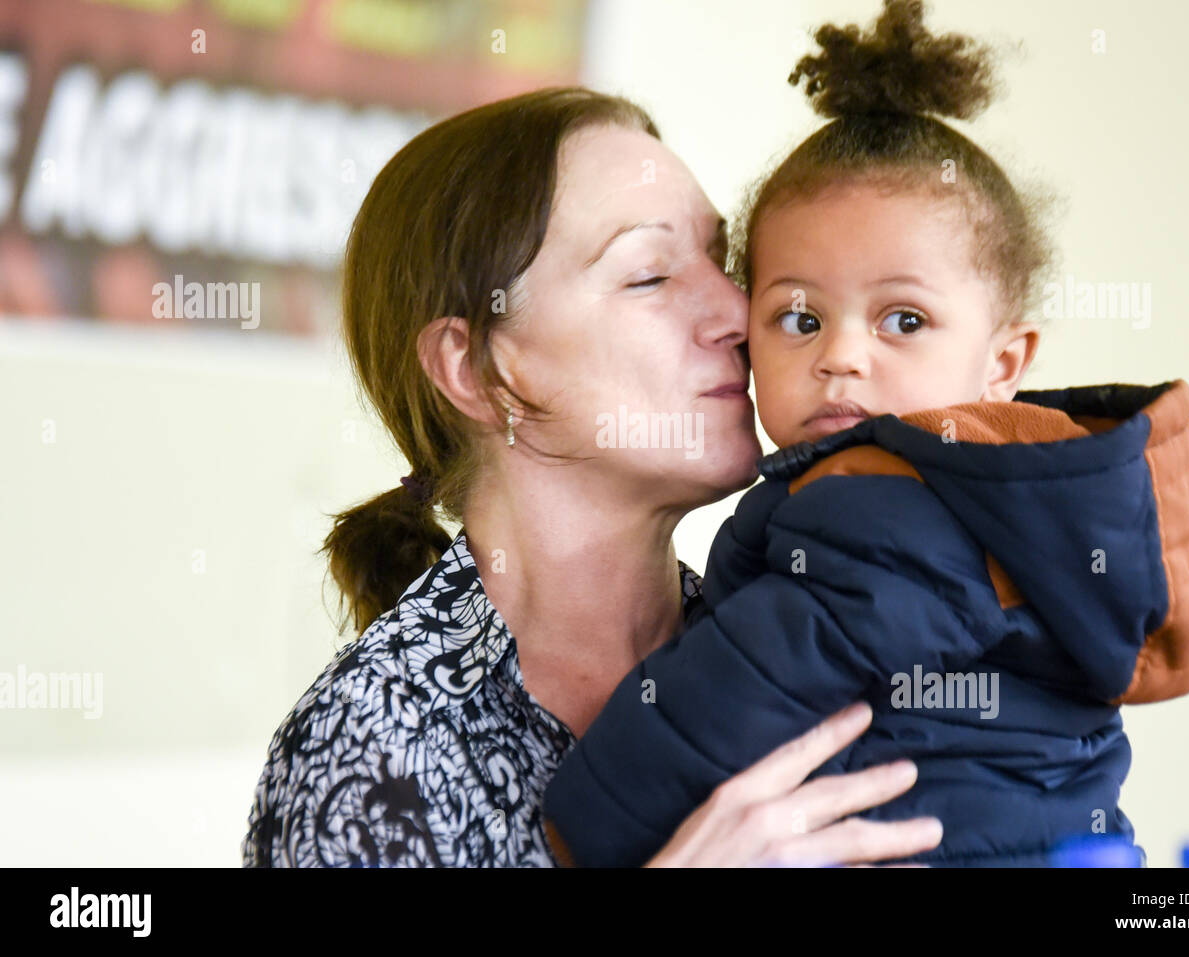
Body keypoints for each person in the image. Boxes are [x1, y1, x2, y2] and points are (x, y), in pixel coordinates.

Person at [542, 1, 1189, 867]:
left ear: (1002, 361)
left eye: (903, 318)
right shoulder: (1017, 490)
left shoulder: (887, 495)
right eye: (798, 316)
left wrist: (587, 821)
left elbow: (758, 675)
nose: (842, 356)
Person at [240, 84, 944, 867]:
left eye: (721, 259)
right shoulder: (371, 750)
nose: (739, 312)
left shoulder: (802, 631)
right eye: (649, 275)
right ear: (478, 370)